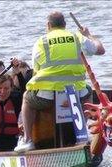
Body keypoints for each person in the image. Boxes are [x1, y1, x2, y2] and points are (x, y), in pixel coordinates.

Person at [14, 11, 105, 152]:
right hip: (76, 93)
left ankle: (27, 140)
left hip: (48, 95)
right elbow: (100, 49)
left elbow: (36, 70)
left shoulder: (41, 41)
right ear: (65, 25)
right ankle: (83, 132)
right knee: (88, 91)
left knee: (27, 98)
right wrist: (88, 35)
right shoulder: (76, 37)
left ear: (48, 25)